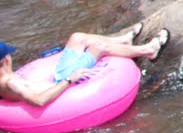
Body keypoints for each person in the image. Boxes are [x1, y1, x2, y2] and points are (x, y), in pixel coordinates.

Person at [0, 28, 170, 108]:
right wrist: (69, 80)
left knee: (77, 38)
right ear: (6, 58)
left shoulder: (6, 78)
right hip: (63, 84)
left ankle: (122, 40)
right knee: (99, 48)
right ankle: (148, 51)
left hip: (56, 79)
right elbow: (39, 101)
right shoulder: (11, 82)